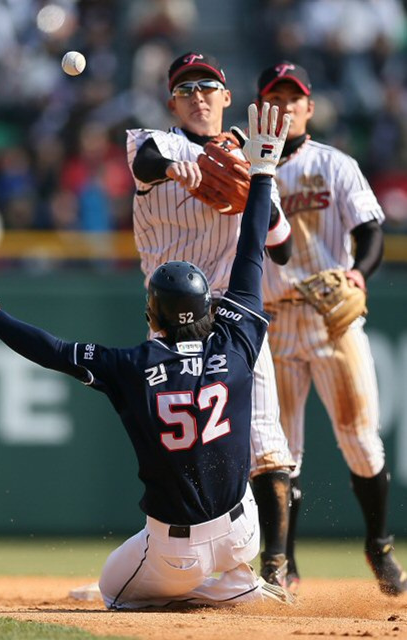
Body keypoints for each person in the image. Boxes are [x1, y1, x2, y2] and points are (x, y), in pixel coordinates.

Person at [0, 103, 294, 609]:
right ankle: (238, 583)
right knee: (231, 513)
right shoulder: (238, 345)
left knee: (111, 592)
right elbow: (253, 250)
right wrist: (262, 173)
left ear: (155, 313)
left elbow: (53, 351)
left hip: (177, 553)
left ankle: (200, 594)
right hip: (242, 534)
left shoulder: (133, 367)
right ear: (209, 308)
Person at [123, 51, 296, 589]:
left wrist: (255, 180)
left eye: (208, 86)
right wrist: (180, 169)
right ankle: (184, 563)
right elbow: (146, 161)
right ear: (172, 101)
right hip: (170, 322)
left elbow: (282, 248)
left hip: (234, 313)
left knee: (266, 441)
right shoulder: (156, 142)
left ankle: (274, 570)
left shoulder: (250, 156)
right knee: (179, 448)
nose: (198, 95)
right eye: (186, 88)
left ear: (226, 97)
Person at [256, 60, 407, 596]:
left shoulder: (335, 165)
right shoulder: (249, 167)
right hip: (272, 320)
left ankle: (379, 547)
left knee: (362, 441)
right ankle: (283, 565)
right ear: (259, 110)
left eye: (293, 99)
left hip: (331, 318)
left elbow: (370, 232)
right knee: (279, 450)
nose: (284, 106)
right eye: (274, 98)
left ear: (309, 109)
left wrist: (358, 275)